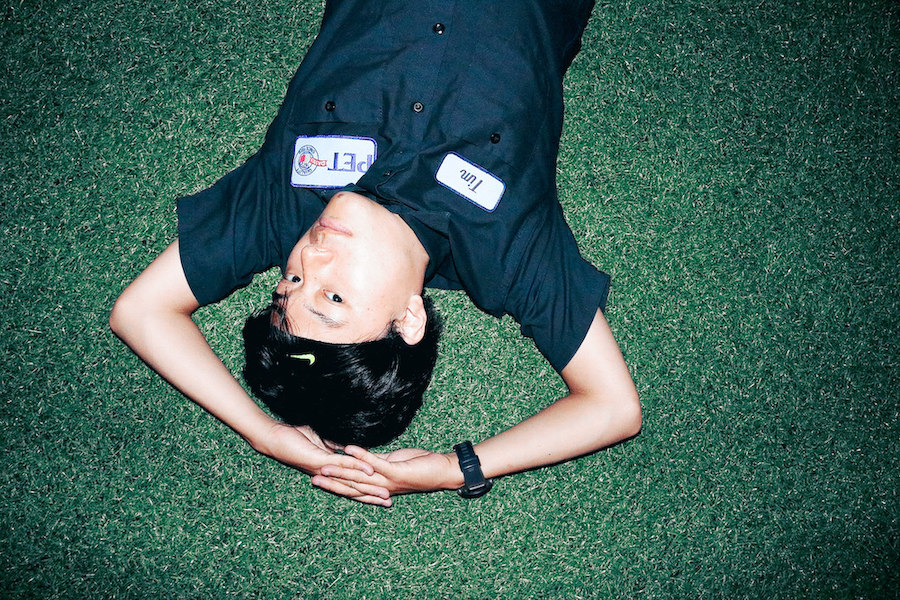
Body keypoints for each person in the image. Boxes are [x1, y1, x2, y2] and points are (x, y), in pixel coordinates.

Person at [109, 0, 641, 507]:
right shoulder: (509, 251)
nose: (310, 259)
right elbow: (612, 407)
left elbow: (140, 311)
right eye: (333, 298)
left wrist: (262, 433)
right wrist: (454, 468)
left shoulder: (279, 204)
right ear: (408, 319)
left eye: (288, 285)